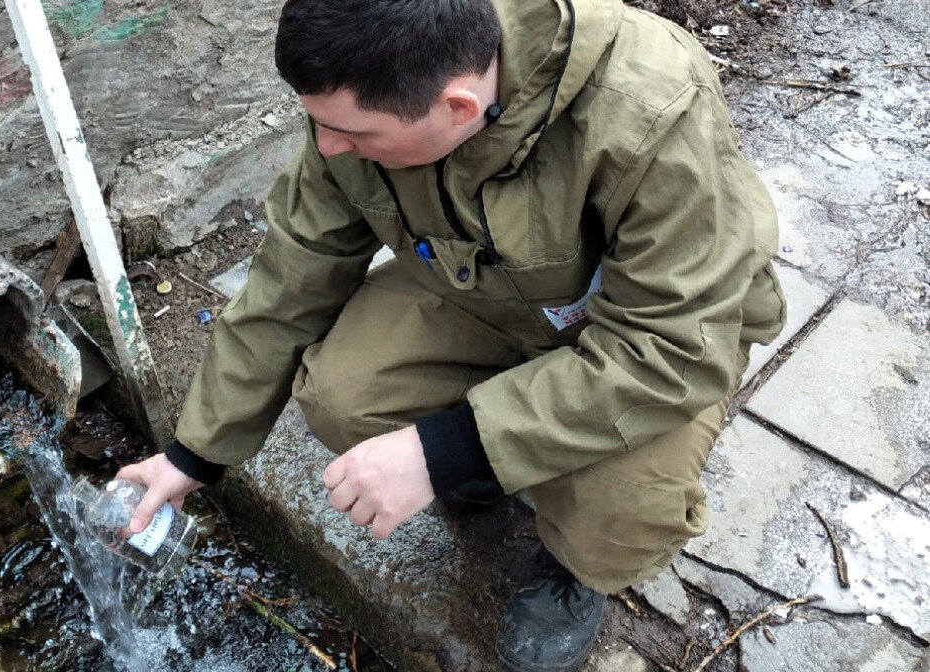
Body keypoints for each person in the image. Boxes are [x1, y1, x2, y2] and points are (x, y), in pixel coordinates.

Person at [116, 0, 786, 669]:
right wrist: (194, 455)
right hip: (481, 291)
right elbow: (291, 278)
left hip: (648, 341)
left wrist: (442, 447)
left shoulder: (651, 106)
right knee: (342, 396)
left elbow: (673, 346)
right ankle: (491, 464)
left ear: (458, 109)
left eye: (353, 133)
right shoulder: (376, 84)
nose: (326, 147)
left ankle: (573, 567)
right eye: (317, 123)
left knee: (620, 508)